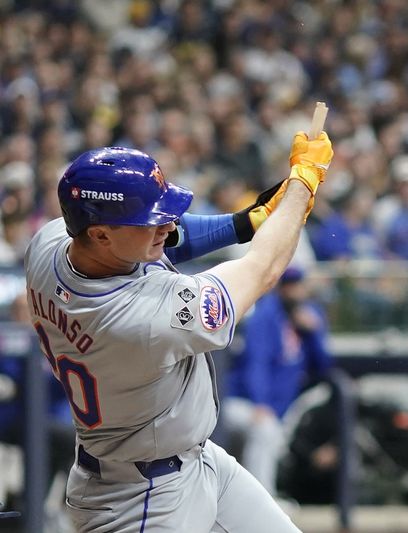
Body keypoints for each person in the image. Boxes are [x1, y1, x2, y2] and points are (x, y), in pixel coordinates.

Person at [23, 131, 333, 532]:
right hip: (139, 501)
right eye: (150, 220)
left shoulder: (49, 244)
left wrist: (245, 222)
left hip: (194, 462)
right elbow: (263, 268)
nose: (166, 226)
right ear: (99, 234)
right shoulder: (145, 318)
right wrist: (302, 186)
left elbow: (159, 242)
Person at [224, 265, 332, 495]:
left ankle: (254, 499)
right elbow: (257, 364)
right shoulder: (265, 315)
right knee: (266, 431)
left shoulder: (309, 315)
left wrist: (313, 333)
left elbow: (323, 366)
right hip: (242, 402)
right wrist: (260, 402)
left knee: (269, 433)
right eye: (288, 285)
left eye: (297, 285)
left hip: (282, 407)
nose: (293, 291)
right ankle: (262, 500)